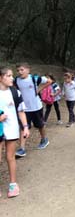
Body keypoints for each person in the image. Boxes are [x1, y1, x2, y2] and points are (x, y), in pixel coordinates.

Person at [0, 66, 30, 198]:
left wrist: (25, 126)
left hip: (11, 128)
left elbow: (21, 111)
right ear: (1, 78)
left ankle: (13, 184)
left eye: (12, 75)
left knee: (10, 157)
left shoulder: (15, 92)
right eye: (8, 75)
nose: (12, 78)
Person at [14, 63, 51, 157]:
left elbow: (50, 81)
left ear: (28, 70)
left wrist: (39, 89)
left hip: (36, 107)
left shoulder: (35, 78)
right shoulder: (16, 80)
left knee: (40, 125)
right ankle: (22, 148)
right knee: (23, 127)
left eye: (22, 70)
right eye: (18, 70)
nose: (19, 72)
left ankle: (44, 139)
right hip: (24, 109)